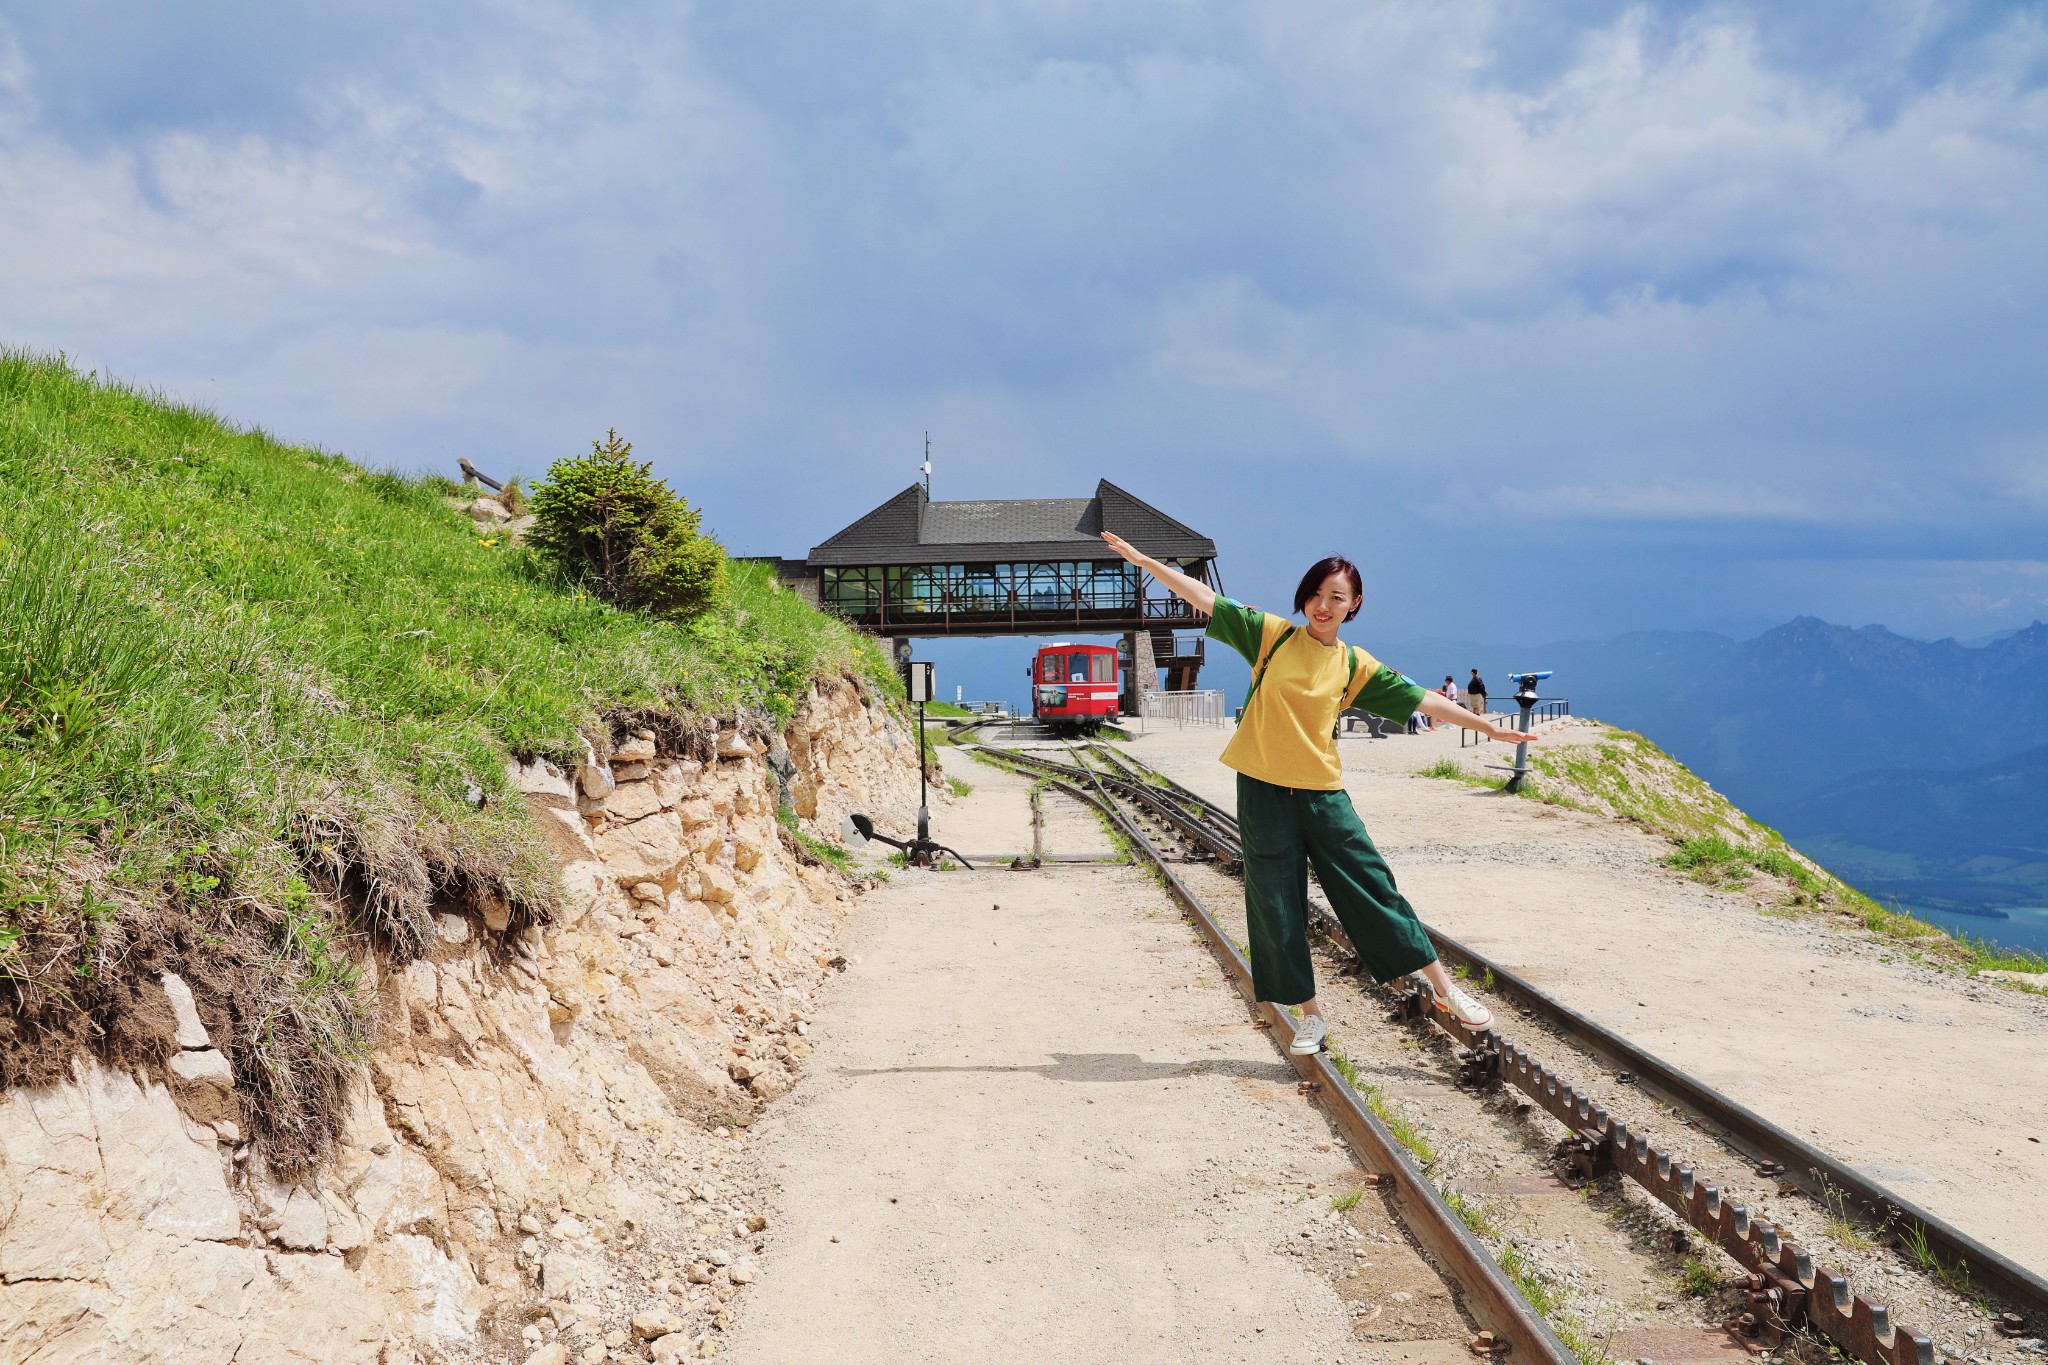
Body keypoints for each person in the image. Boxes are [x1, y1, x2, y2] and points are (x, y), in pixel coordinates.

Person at [1099, 533, 1539, 1053]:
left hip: (1323, 793)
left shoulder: (1354, 665)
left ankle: (1446, 991)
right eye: (1317, 594)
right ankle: (1309, 1016)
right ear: (1304, 597)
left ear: (1354, 605)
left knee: (1375, 886)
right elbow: (1206, 598)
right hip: (1262, 789)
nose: (1324, 606)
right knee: (1275, 902)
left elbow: (1423, 699)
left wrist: (1490, 730)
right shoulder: (1272, 636)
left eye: (1337, 597)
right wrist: (1146, 563)